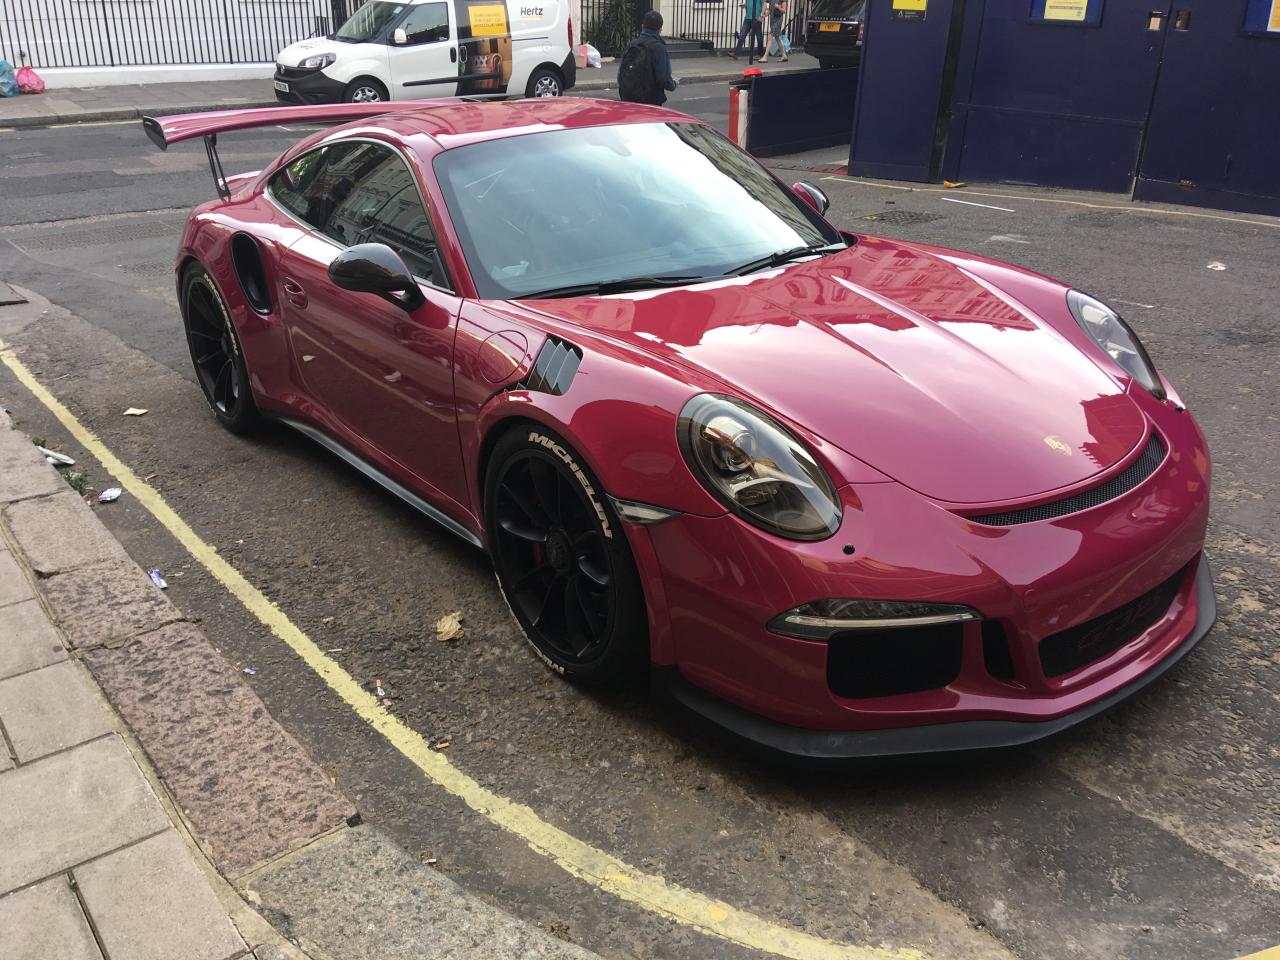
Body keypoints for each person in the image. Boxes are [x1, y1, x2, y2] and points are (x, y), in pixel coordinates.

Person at [617, 10, 680, 106]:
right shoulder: (659, 48)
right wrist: (673, 84)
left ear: (642, 26)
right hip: (650, 100)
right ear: (659, 30)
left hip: (628, 98)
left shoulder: (632, 44)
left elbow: (621, 71)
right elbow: (663, 78)